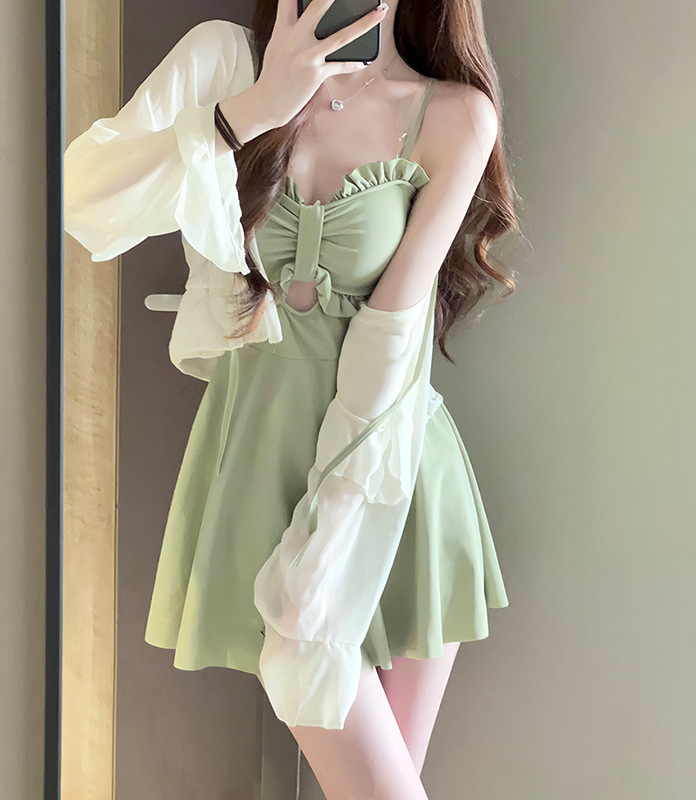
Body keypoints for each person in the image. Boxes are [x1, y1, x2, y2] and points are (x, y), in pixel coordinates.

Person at [64, 1, 519, 797]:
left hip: (387, 475)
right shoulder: (222, 62)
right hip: (259, 465)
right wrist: (248, 113)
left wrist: (329, 535)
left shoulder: (452, 115)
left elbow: (392, 331)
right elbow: (81, 198)